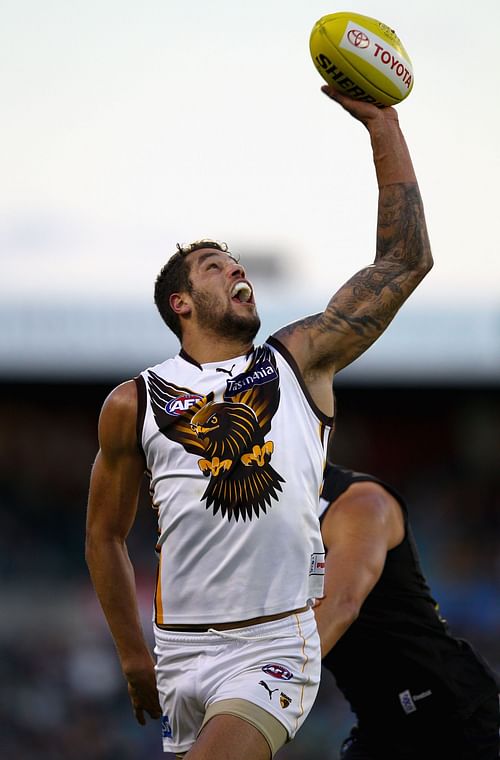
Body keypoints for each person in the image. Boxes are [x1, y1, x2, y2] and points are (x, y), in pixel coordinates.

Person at [84, 84, 433, 760]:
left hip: (274, 643)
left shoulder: (297, 362)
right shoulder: (134, 402)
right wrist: (133, 655)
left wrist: (382, 126)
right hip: (181, 652)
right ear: (181, 303)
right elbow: (104, 535)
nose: (237, 270)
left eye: (239, 264)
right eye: (216, 267)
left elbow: (404, 262)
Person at [315, 462, 500, 759]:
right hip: (380, 724)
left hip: (450, 716)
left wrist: (261, 684)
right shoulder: (261, 523)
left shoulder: (358, 501)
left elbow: (340, 605)